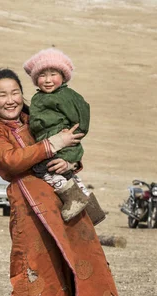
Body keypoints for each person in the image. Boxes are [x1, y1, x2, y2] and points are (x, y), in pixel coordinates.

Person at [0, 68, 120, 296]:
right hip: (30, 209)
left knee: (66, 277)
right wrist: (52, 145)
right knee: (31, 278)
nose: (10, 100)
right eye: (1, 95)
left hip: (64, 207)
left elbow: (70, 140)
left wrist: (70, 161)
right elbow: (12, 161)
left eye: (14, 92)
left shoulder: (41, 116)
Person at [22, 48, 105, 224]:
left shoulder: (66, 96)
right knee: (69, 175)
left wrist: (72, 138)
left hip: (63, 143)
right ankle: (90, 205)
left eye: (53, 74)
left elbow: (81, 119)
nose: (48, 80)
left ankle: (73, 199)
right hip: (53, 142)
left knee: (44, 170)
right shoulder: (41, 97)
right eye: (42, 75)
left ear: (63, 76)